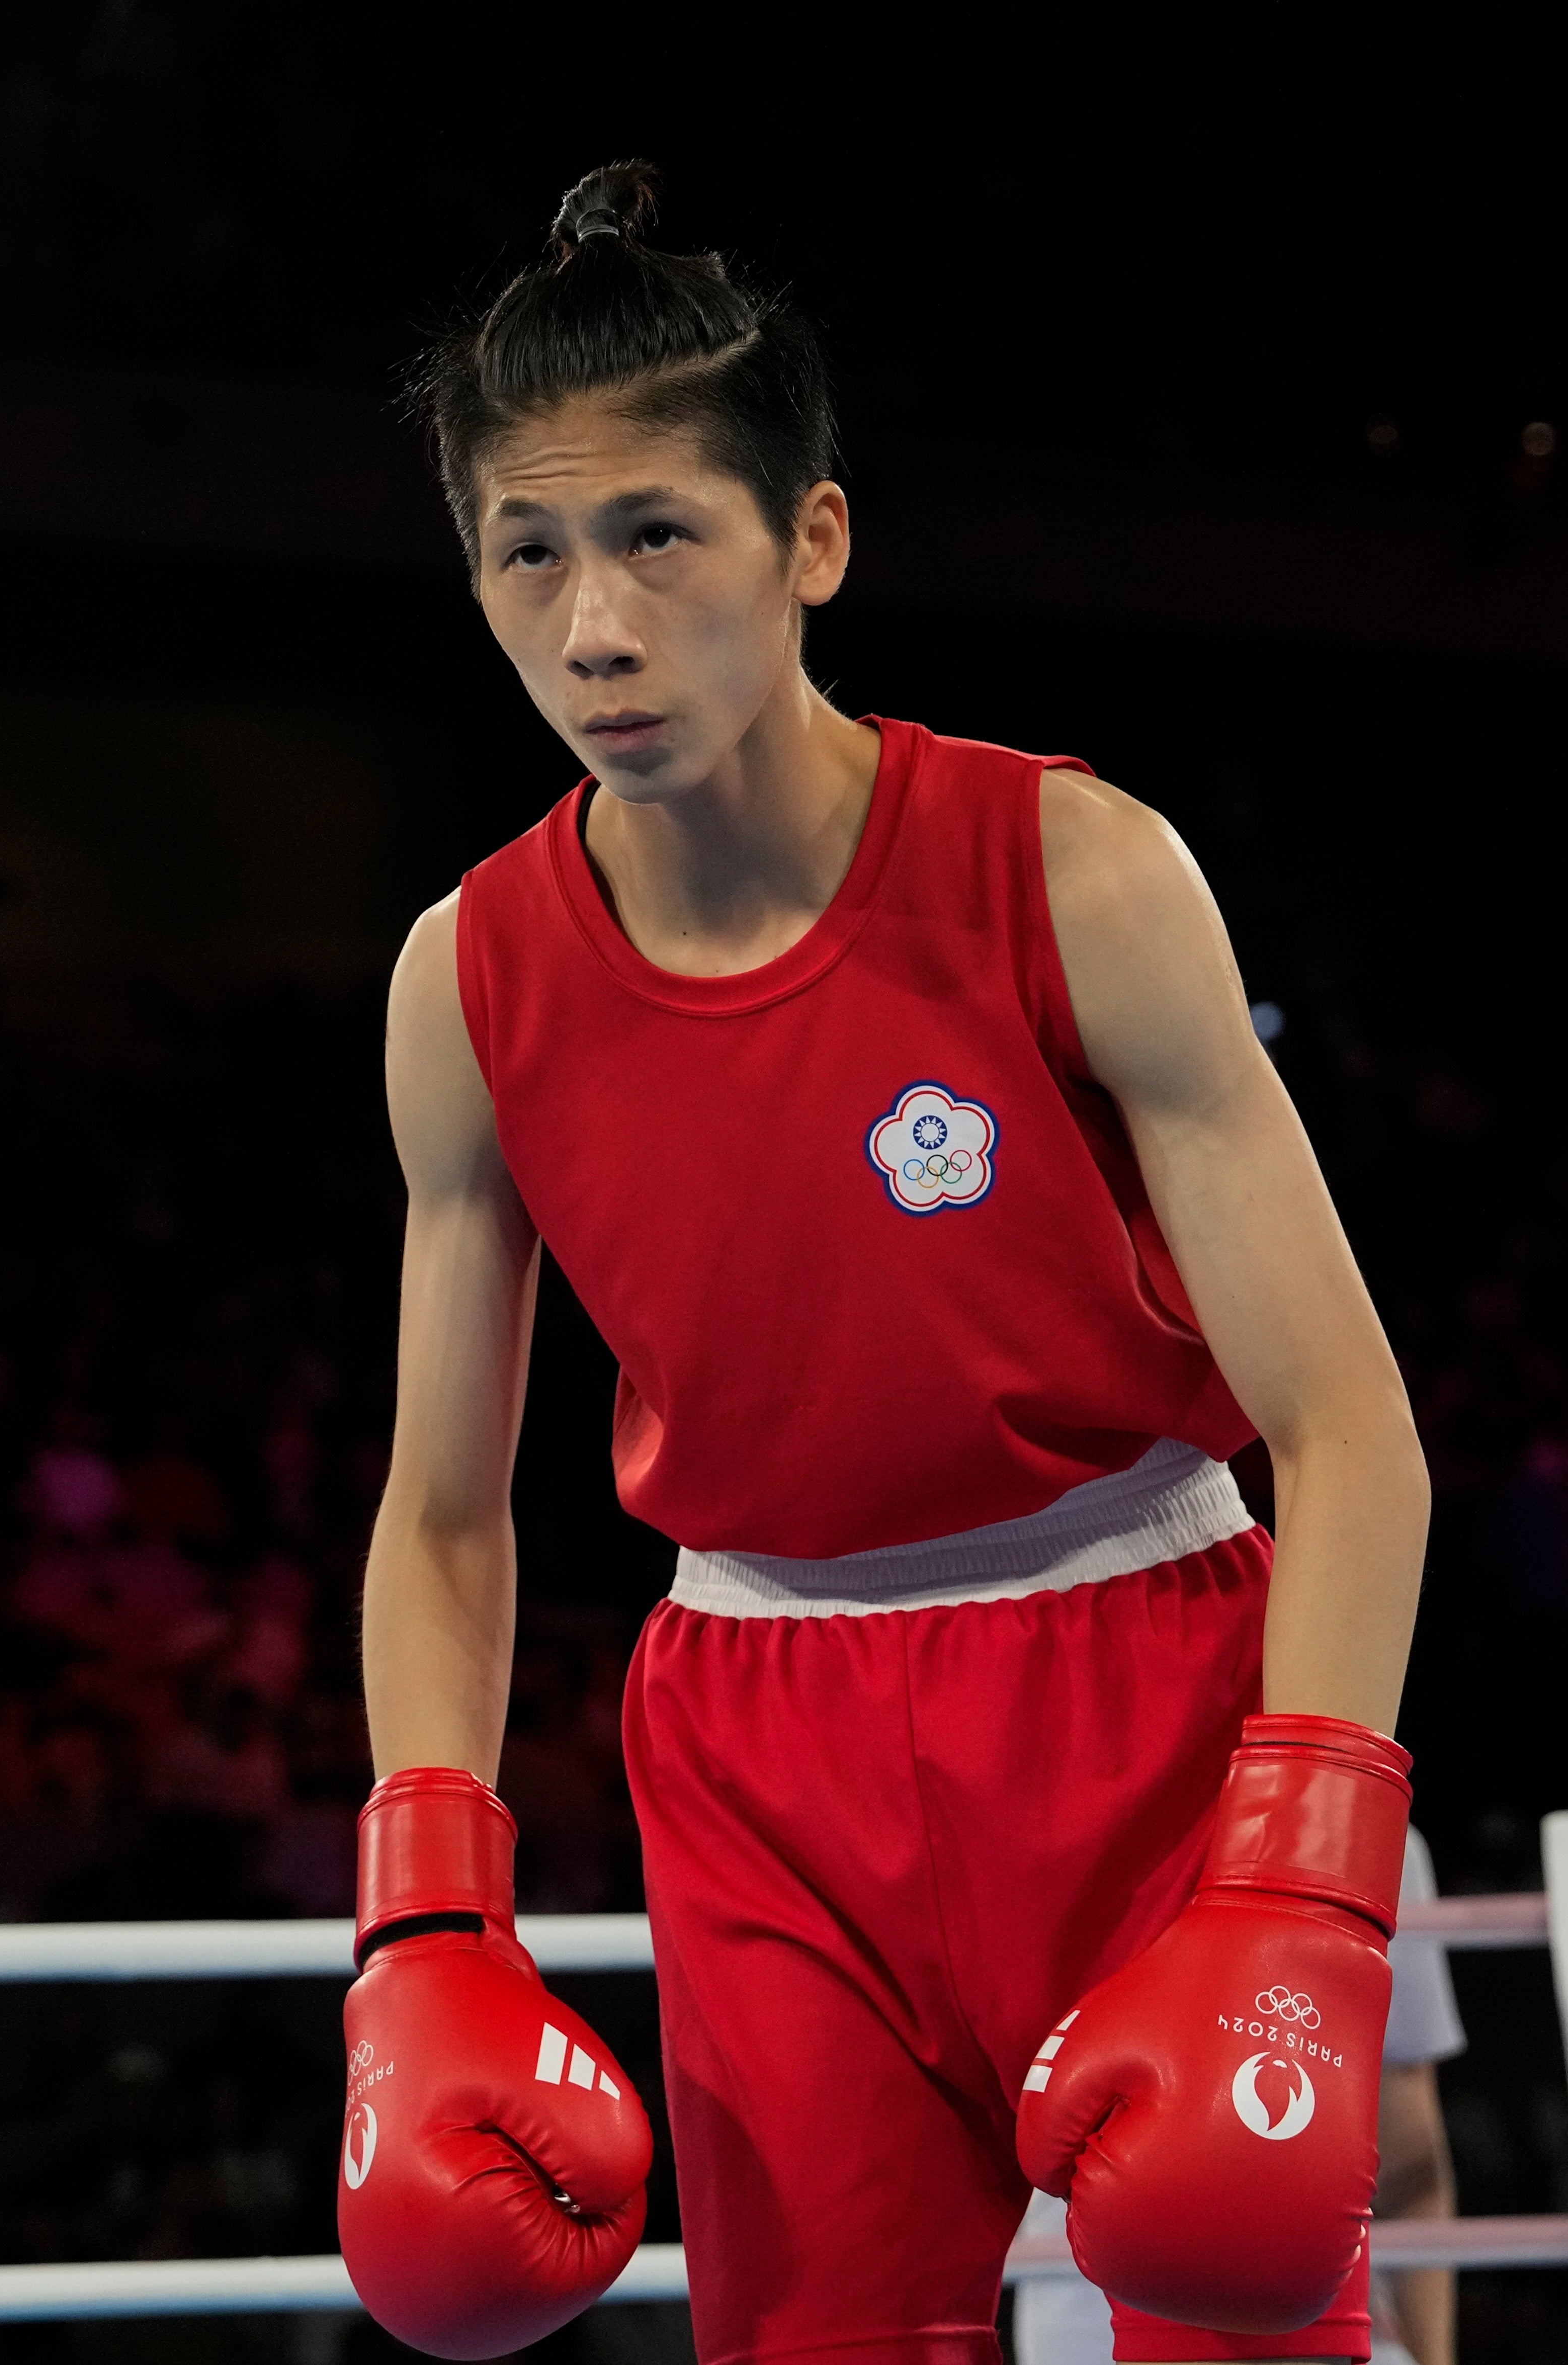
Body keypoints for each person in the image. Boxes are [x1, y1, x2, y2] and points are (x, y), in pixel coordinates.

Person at [333, 160, 1431, 2365]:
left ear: (811, 540)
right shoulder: (468, 982)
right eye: (524, 554)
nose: (595, 627)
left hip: (1144, 1684)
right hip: (754, 1746)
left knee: (1241, 2332)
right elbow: (445, 1514)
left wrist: (1304, 1876)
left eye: (661, 533)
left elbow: (1354, 1431)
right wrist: (425, 1914)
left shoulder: (1074, 871)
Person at [1013, 1825, 1468, 2365]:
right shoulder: (1364, 1828)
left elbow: (1413, 2167)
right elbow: (1411, 2167)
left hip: (1087, 2314)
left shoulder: (1041, 1819)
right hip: (1306, 2312)